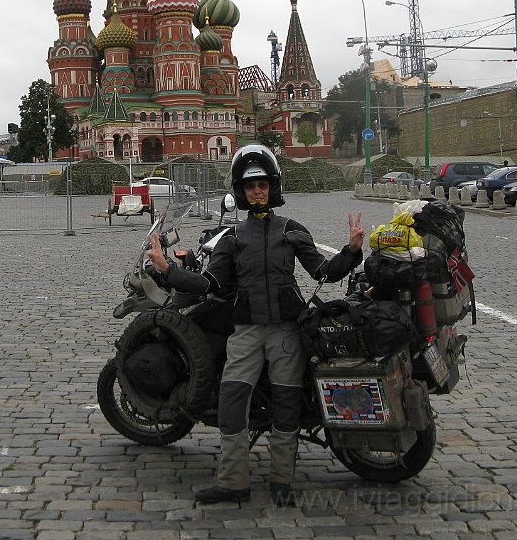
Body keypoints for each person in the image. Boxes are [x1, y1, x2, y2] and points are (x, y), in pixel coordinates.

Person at [146, 144, 365, 506]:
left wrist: (351, 250)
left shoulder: (292, 229)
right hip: (246, 332)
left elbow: (323, 272)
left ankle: (282, 483)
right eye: (250, 187)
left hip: (285, 332)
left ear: (272, 187)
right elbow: (210, 285)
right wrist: (170, 271)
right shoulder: (231, 239)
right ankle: (233, 483)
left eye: (262, 184)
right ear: (241, 192)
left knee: (285, 406)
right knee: (232, 403)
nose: (257, 191)